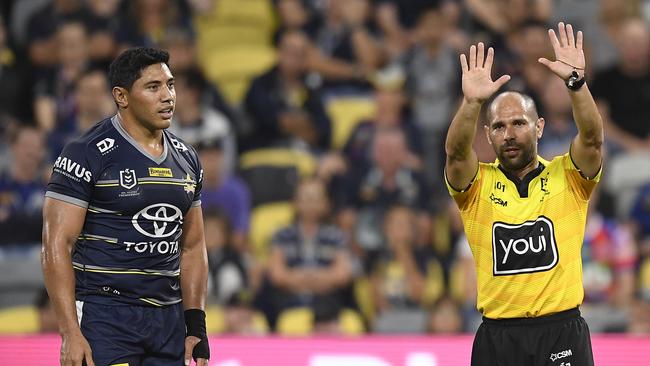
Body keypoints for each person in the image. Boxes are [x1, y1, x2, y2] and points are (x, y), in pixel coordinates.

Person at [445, 23, 603, 365]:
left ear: (539, 127)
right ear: (488, 135)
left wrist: (576, 84)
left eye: (519, 123)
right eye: (499, 127)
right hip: (498, 337)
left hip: (561, 330)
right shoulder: (476, 187)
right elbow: (456, 155)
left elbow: (591, 139)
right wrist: (472, 103)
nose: (509, 134)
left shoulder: (569, 176)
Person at [41, 48, 210, 366]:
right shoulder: (84, 153)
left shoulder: (187, 158)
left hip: (168, 320)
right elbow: (56, 244)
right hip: (105, 317)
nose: (168, 96)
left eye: (170, 85)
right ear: (122, 96)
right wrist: (70, 333)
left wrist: (195, 326)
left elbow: (193, 246)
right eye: (153, 87)